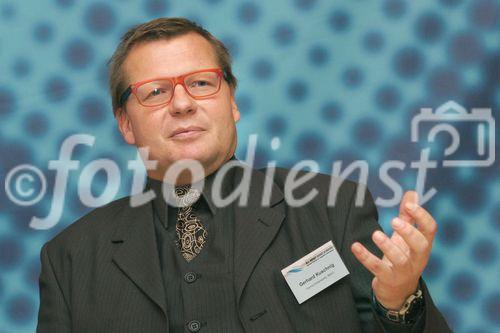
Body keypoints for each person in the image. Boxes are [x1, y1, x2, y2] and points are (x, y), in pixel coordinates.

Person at [36, 17, 451, 332]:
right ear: (125, 123)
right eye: (156, 92)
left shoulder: (331, 209)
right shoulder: (70, 258)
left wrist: (400, 302)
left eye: (201, 82)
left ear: (231, 103)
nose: (182, 104)